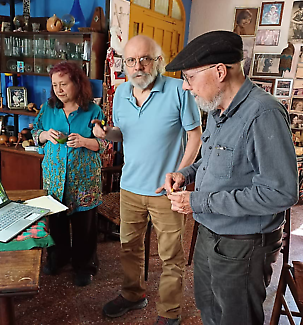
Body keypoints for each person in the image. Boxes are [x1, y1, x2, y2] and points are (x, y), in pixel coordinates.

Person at [162, 30, 298, 325]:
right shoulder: (216, 110)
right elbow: (213, 162)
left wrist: (198, 201)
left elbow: (282, 193)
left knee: (236, 319)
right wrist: (185, 175)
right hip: (209, 236)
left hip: (243, 247)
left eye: (190, 77)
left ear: (220, 71)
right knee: (209, 311)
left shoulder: (264, 113)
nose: (187, 87)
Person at [92, 35, 202, 325]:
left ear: (158, 62)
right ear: (124, 64)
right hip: (129, 187)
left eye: (145, 59)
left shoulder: (180, 90)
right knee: (129, 247)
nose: (138, 66)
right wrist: (107, 135)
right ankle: (132, 294)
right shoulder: (121, 93)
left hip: (166, 191)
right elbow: (122, 133)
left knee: (170, 256)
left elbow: (195, 136)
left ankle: (169, 313)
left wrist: (180, 174)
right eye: (131, 60)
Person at [32, 61, 107, 287]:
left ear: (77, 83)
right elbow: (35, 134)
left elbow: (104, 144)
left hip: (83, 181)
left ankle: (84, 266)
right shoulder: (48, 109)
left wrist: (85, 141)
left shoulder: (93, 110)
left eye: (63, 84)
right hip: (55, 180)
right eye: (55, 85)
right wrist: (45, 135)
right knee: (56, 223)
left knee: (85, 226)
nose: (59, 89)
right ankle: (58, 258)